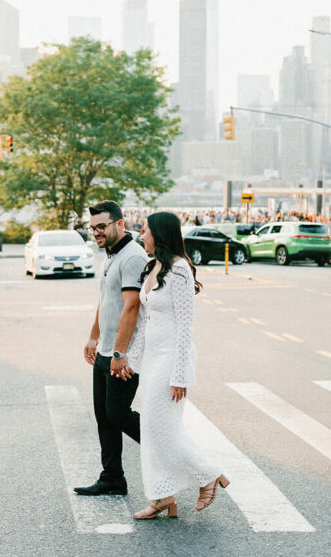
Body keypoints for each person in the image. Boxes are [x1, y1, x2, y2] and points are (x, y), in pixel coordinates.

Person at [133, 211, 229, 520]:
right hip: (151, 360)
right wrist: (131, 361)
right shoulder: (154, 267)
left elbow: (186, 327)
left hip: (172, 359)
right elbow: (146, 321)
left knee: (162, 430)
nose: (140, 235)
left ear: (159, 234)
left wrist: (180, 373)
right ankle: (162, 496)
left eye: (144, 230)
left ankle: (208, 474)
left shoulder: (180, 271)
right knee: (150, 430)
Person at [74, 200, 148, 497]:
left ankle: (168, 449)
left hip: (122, 355)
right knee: (104, 416)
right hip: (105, 351)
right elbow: (106, 302)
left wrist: (119, 353)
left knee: (118, 414)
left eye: (102, 226)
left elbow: (131, 307)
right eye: (93, 228)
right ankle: (112, 478)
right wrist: (94, 337)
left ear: (120, 223)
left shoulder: (132, 257)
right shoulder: (111, 256)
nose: (96, 233)